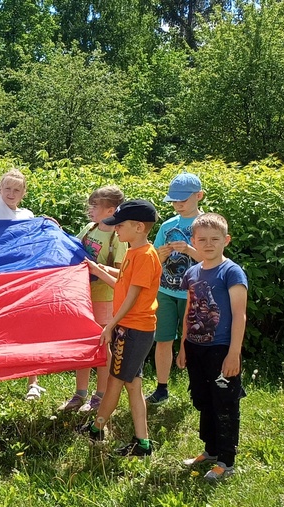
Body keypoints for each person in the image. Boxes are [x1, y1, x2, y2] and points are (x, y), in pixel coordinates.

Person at [78, 200, 161, 456]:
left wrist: (111, 325)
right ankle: (143, 442)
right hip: (132, 328)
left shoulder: (145, 256)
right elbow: (123, 286)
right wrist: (97, 269)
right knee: (133, 385)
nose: (116, 230)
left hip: (132, 330)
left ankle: (96, 429)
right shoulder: (134, 252)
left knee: (115, 381)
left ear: (138, 227)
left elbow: (132, 297)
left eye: (120, 225)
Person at [176, 213, 248, 481]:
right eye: (202, 239)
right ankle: (211, 450)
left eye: (215, 239)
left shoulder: (232, 272)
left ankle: (226, 461)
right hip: (195, 347)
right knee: (203, 399)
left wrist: (233, 353)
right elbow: (188, 312)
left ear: (225, 240)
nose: (208, 244)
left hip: (221, 348)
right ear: (193, 241)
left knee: (224, 404)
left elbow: (239, 314)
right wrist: (183, 346)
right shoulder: (192, 272)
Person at [61, 186, 133, 413]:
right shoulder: (89, 228)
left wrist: (98, 270)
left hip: (106, 299)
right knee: (83, 343)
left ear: (110, 209)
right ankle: (79, 393)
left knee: (102, 346)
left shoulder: (118, 238)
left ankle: (100, 395)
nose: (89, 210)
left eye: (94, 206)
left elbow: (122, 276)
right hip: (83, 296)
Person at [0, 169, 46, 400]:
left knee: (28, 328)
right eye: (7, 188)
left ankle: (33, 383)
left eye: (17, 189)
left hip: (22, 279)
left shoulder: (28, 216)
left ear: (24, 193)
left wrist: (46, 224)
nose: (11, 193)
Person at [147, 172, 204, 406]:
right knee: (163, 340)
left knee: (195, 341)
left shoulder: (207, 224)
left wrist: (189, 250)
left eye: (183, 200)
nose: (178, 205)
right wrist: (159, 256)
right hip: (166, 291)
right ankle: (162, 388)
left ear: (199, 196)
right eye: (174, 201)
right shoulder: (168, 225)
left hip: (195, 293)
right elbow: (154, 259)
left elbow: (215, 260)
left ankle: (199, 388)